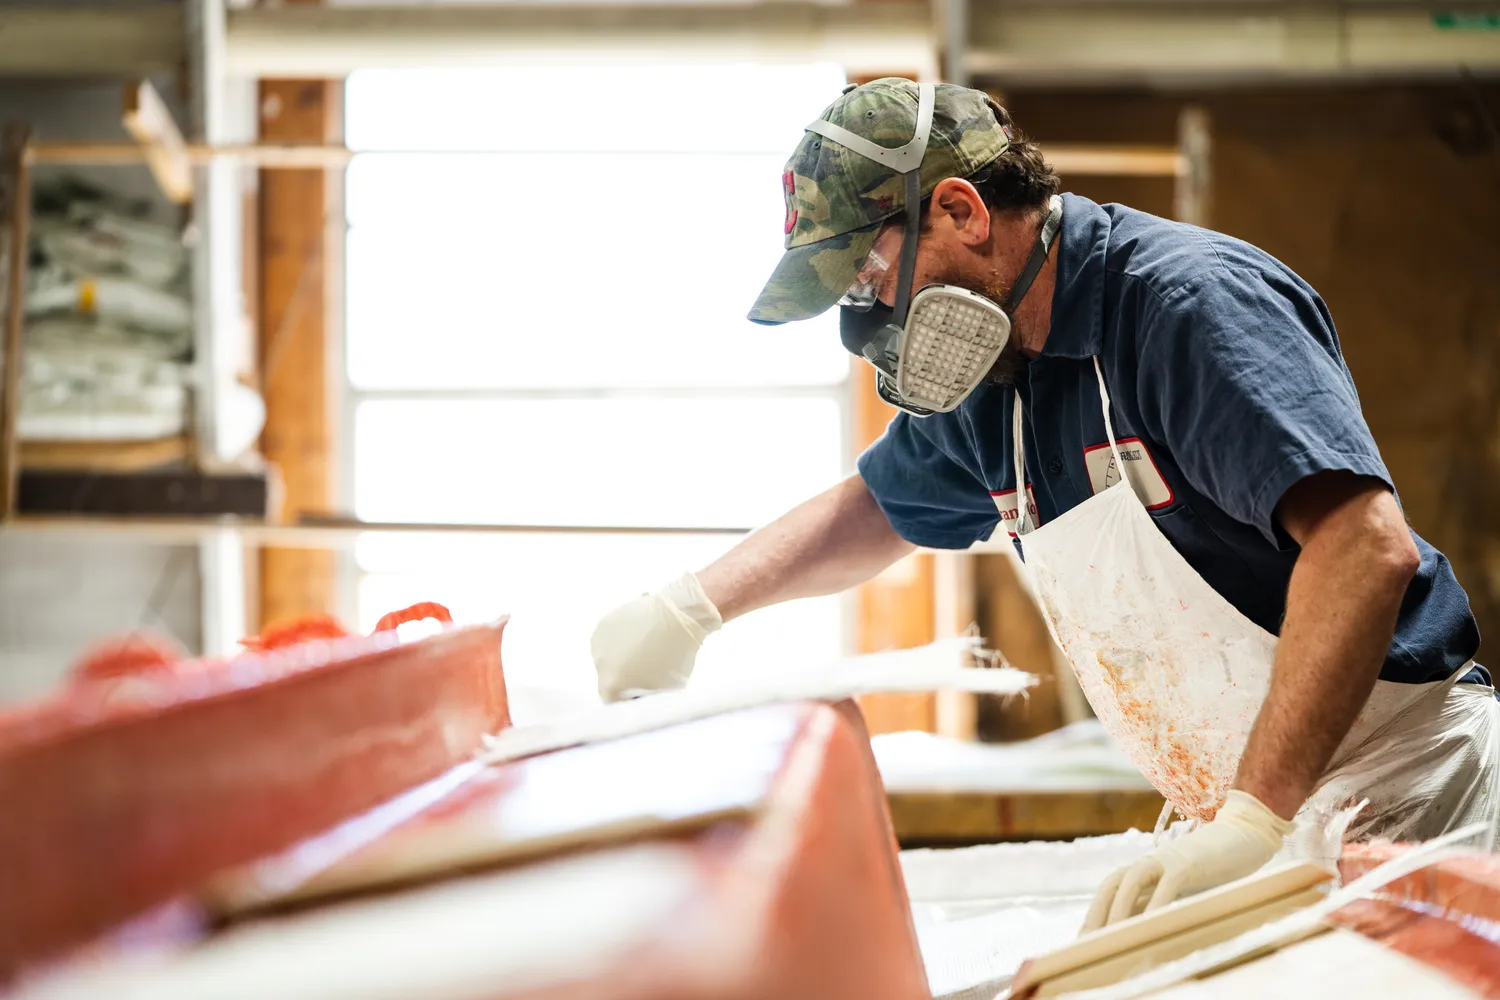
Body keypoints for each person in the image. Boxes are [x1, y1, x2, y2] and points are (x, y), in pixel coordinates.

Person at [589, 78, 1500, 928]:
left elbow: (1362, 547)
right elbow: (876, 509)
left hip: (1423, 803)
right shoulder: (999, 382)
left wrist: (1251, 816)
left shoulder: (1185, 308)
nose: (869, 321)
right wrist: (691, 608)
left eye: (868, 277)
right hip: (1275, 820)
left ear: (961, 210)